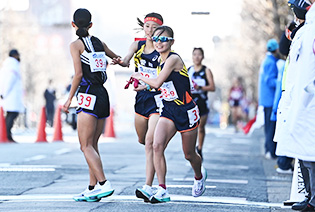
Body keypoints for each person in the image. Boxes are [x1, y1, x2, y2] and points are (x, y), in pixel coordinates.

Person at [132, 26, 207, 204]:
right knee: (157, 145)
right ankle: (162, 189)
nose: (159, 42)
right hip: (168, 110)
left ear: (172, 42)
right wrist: (143, 87)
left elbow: (158, 82)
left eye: (164, 39)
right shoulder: (159, 59)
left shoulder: (173, 59)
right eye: (156, 39)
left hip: (185, 111)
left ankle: (199, 175)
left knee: (189, 154)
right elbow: (163, 85)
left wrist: (140, 77)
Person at [62, 8, 122, 202]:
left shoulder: (75, 45)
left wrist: (69, 98)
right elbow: (117, 59)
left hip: (88, 93)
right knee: (93, 145)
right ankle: (92, 188)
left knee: (85, 145)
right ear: (90, 25)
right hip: (103, 94)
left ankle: (104, 184)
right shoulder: (99, 43)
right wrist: (122, 61)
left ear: (73, 24)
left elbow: (78, 75)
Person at [112, 13, 163, 202]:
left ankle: (149, 186)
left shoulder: (162, 49)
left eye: (154, 28)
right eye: (147, 26)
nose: (150, 31)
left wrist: (150, 84)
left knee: (151, 143)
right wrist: (120, 61)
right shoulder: (137, 46)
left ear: (160, 31)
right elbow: (126, 60)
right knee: (143, 140)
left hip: (158, 99)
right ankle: (155, 165)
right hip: (141, 99)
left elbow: (164, 77)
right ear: (143, 28)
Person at [274, 0, 315, 210]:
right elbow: (283, 47)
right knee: (302, 149)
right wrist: (293, 25)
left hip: (307, 96)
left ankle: (312, 198)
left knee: (309, 149)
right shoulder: (301, 30)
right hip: (295, 94)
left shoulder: (310, 30)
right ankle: (308, 196)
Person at [188, 47, 215, 160]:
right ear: (192, 56)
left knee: (201, 127)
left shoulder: (206, 70)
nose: (197, 57)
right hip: (191, 102)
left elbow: (212, 87)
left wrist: (201, 87)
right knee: (191, 127)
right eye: (195, 54)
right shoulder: (189, 70)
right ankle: (191, 147)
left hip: (202, 101)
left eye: (199, 55)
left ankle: (200, 148)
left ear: (203, 57)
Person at [258, 39, 279, 159]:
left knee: (268, 127)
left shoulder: (266, 61)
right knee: (271, 127)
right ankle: (271, 151)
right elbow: (270, 81)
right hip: (271, 99)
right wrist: (281, 82)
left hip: (266, 99)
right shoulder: (271, 63)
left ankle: (268, 149)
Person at [0, 49, 24, 142]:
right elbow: (10, 80)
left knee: (10, 114)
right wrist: (4, 93)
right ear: (14, 55)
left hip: (8, 94)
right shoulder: (13, 65)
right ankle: (7, 134)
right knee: (13, 113)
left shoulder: (7, 64)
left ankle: (6, 134)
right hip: (10, 94)